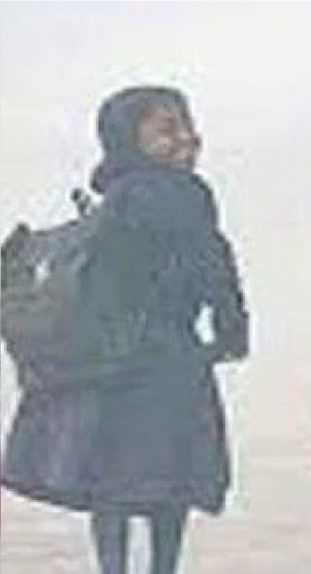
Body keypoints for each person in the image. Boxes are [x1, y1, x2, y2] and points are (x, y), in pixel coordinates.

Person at [1, 86, 250, 574]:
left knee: (109, 484)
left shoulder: (114, 201)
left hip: (107, 364)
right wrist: (231, 332)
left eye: (187, 126)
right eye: (167, 130)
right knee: (170, 482)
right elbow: (214, 264)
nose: (188, 138)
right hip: (169, 357)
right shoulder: (186, 192)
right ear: (128, 139)